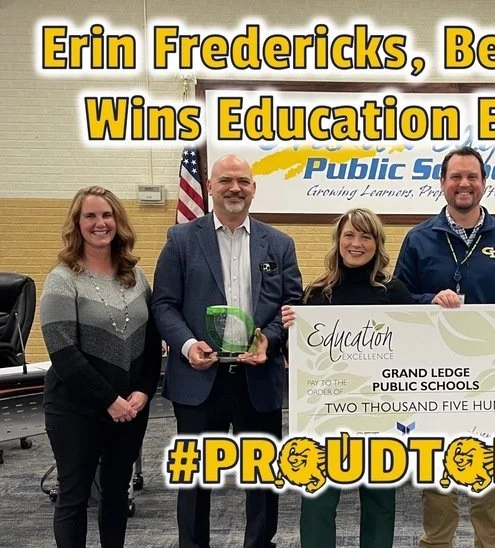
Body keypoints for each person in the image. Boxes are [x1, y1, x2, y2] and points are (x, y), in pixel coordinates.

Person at [393, 145, 495, 548]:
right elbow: (394, 300)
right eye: (456, 177)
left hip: (492, 380)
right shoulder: (418, 239)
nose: (464, 184)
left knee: (489, 484)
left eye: (472, 177)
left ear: (483, 183)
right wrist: (428, 301)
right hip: (433, 380)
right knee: (437, 484)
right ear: (443, 183)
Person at [152, 153, 303, 548]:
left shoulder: (280, 244)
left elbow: (291, 306)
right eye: (225, 181)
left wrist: (269, 340)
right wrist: (186, 345)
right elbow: (164, 304)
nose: (235, 188)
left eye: (243, 181)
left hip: (259, 379)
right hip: (200, 380)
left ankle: (259, 544)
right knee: (196, 479)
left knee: (263, 481)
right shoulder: (181, 240)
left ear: (253, 188)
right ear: (209, 188)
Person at [280, 208, 412, 548]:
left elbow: (412, 352)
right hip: (325, 417)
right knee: (318, 503)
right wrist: (289, 328)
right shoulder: (315, 294)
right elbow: (297, 356)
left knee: (381, 503)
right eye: (349, 235)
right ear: (338, 241)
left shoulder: (394, 293)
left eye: (366, 236)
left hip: (381, 415)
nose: (356, 243)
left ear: (377, 244)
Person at [40, 186, 161, 547]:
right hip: (75, 409)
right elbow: (62, 350)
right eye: (90, 216)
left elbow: (152, 341)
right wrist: (110, 400)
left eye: (106, 215)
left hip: (131, 408)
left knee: (115, 495)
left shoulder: (135, 276)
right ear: (77, 224)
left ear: (117, 222)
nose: (99, 223)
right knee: (74, 497)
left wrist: (143, 391)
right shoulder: (62, 278)